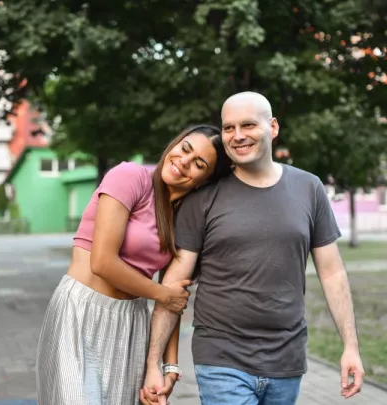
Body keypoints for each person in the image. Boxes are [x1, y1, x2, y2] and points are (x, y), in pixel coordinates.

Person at [141, 92, 365, 405]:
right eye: (228, 128)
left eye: (248, 125)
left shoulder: (309, 187)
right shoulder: (202, 197)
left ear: (272, 127)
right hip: (221, 358)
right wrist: (155, 364)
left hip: (287, 360)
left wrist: (350, 347)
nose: (238, 135)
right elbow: (173, 284)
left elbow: (332, 272)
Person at [35, 124, 232, 405]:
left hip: (131, 326)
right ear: (175, 143)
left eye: (199, 164)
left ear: (204, 180)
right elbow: (102, 262)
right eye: (185, 148)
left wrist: (169, 367)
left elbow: (174, 297)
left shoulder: (184, 216)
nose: (184, 162)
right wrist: (162, 293)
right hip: (82, 312)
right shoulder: (130, 176)